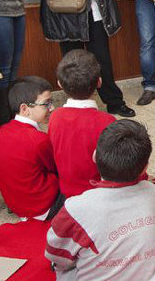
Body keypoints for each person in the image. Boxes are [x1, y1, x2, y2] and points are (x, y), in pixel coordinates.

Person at [46, 120, 155, 279]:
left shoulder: (75, 208)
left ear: (95, 156)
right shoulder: (152, 192)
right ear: (145, 167)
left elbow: (57, 257)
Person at [0, 76, 62, 220]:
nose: (52, 108)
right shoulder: (39, 140)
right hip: (44, 206)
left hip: (16, 205)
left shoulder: (1, 132)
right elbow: (57, 170)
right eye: (46, 104)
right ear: (25, 109)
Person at [48, 49, 116, 198]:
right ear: (99, 82)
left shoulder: (55, 116)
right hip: (98, 193)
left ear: (59, 83)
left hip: (66, 192)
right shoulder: (107, 121)